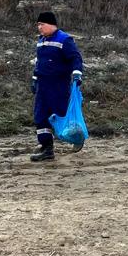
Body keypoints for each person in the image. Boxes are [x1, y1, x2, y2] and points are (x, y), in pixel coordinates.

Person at [29, 10, 84, 163]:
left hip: (58, 85)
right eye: (38, 25)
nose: (39, 27)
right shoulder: (41, 41)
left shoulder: (64, 39)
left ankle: (77, 137)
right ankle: (47, 148)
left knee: (61, 114)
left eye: (42, 24)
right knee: (40, 116)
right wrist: (35, 78)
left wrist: (77, 74)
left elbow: (75, 58)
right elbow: (40, 62)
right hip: (43, 85)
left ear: (51, 24)